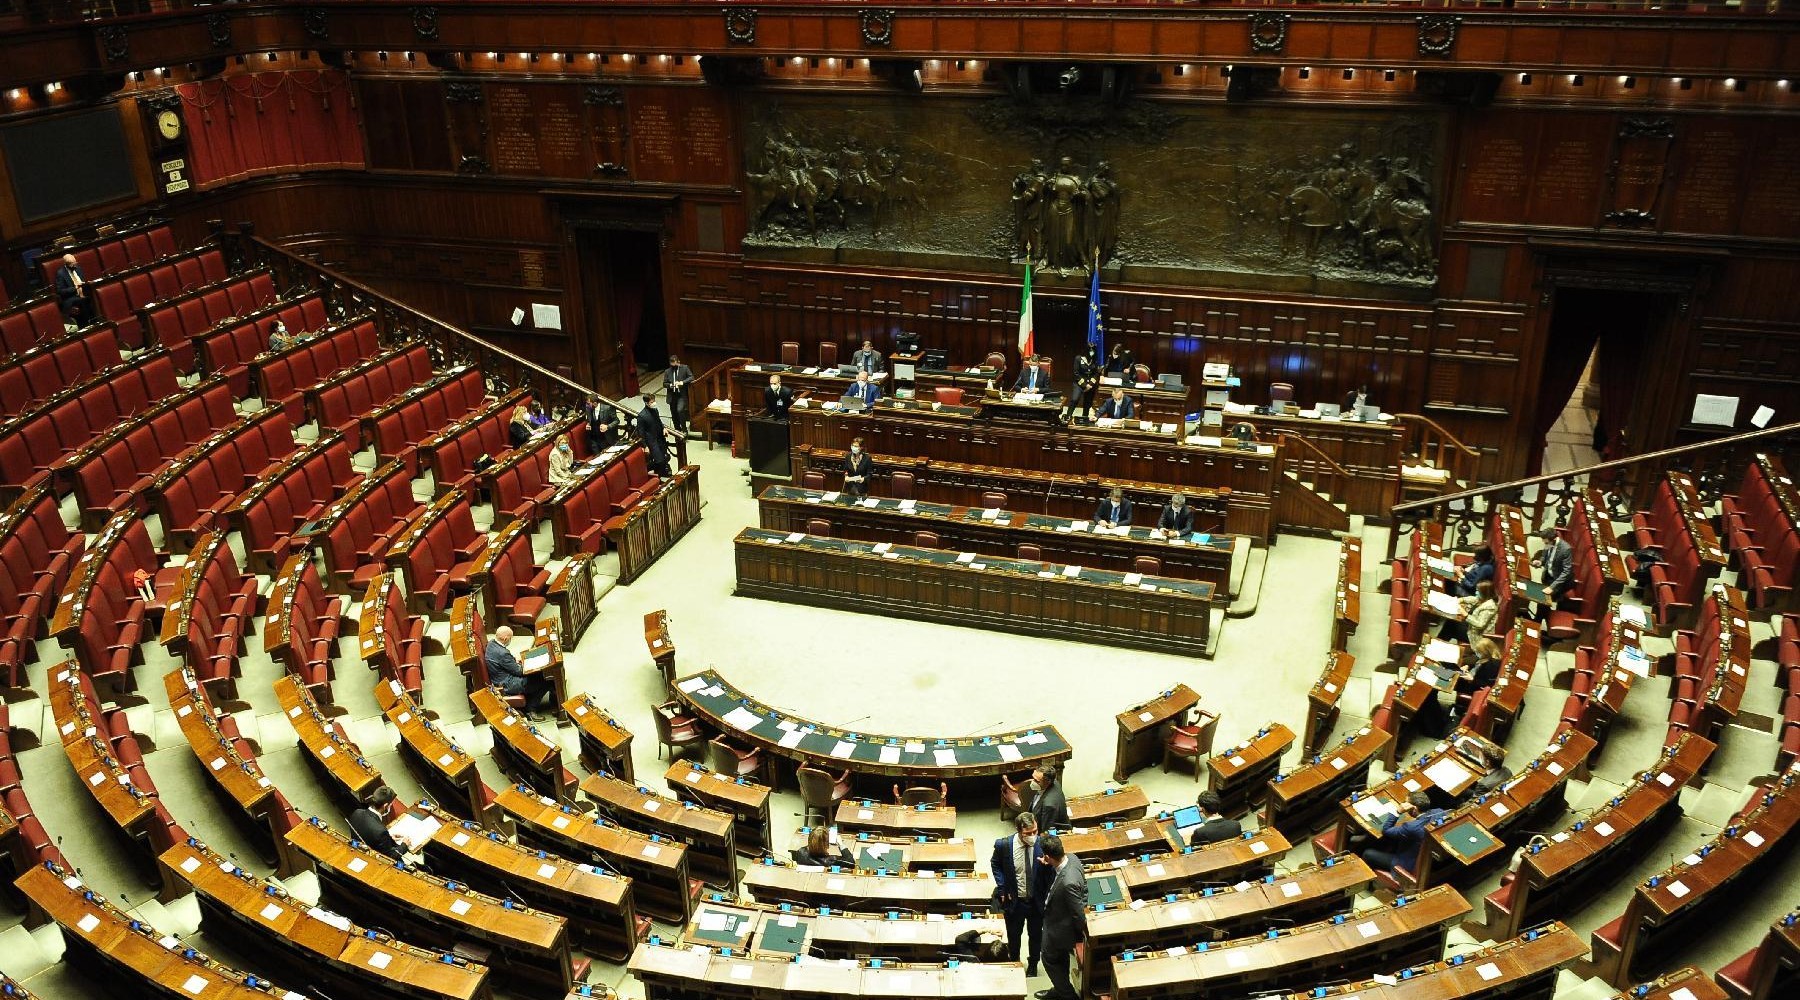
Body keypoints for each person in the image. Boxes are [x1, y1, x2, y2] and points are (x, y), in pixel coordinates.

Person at [991, 813, 1046, 975]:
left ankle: (1034, 963)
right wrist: (1002, 888)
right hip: (1015, 900)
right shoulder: (1004, 845)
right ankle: (1014, 961)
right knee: (1014, 935)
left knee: (1036, 935)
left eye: (1035, 831)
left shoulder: (1042, 843)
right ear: (1018, 830)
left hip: (1036, 900)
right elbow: (995, 864)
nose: (1032, 836)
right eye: (1027, 833)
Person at [1036, 834, 1086, 1000]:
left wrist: (1077, 935)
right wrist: (1047, 865)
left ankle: (1067, 995)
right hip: (1057, 921)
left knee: (1048, 958)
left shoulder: (1068, 883)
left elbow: (1078, 913)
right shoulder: (1072, 858)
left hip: (1059, 929)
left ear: (1048, 856)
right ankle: (1059, 988)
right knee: (1060, 958)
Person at [1361, 791, 1447, 876]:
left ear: (1414, 809)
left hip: (1406, 864)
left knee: (1367, 853)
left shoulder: (1411, 827)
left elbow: (1386, 830)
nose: (1403, 805)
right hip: (1428, 859)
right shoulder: (1439, 811)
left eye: (1406, 803)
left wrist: (1397, 812)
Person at [486, 625, 554, 718]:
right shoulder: (502, 653)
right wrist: (532, 663)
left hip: (501, 678)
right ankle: (531, 710)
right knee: (545, 680)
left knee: (540, 675)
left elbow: (509, 664)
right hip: (508, 684)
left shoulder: (491, 643)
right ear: (505, 639)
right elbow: (519, 671)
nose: (511, 640)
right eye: (510, 638)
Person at [348, 786, 409, 864]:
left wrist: (389, 839)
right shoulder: (380, 831)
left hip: (357, 849)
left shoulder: (357, 812)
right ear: (385, 806)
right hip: (373, 860)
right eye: (391, 805)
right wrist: (404, 845)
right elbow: (390, 856)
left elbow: (369, 835)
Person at [1530, 525, 1573, 620]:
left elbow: (1566, 572)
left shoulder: (1565, 549)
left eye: (1546, 543)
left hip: (1560, 582)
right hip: (1548, 577)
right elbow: (1545, 557)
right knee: (1540, 596)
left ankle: (1537, 621)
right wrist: (1540, 562)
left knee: (1543, 599)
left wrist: (1552, 587)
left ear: (1553, 540)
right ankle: (1541, 618)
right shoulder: (1548, 544)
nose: (1545, 545)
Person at [1439, 579, 1497, 645]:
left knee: (1452, 626)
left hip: (1479, 636)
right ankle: (1439, 643)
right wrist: (1461, 599)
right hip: (1473, 629)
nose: (1476, 592)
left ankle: (1439, 644)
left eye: (1478, 591)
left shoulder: (1490, 607)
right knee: (1451, 622)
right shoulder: (1484, 598)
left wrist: (1466, 615)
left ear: (1484, 593)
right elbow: (1473, 599)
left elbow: (1480, 624)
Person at [635, 393, 674, 478]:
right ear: (646, 403)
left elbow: (658, 421)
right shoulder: (641, 416)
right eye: (652, 402)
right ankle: (648, 471)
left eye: (654, 401)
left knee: (666, 457)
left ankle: (661, 475)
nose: (654, 403)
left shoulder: (655, 410)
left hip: (660, 438)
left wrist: (663, 428)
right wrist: (645, 446)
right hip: (651, 442)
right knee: (659, 461)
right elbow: (641, 433)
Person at [1029, 764, 1069, 833]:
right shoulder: (1054, 782)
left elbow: (1046, 830)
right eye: (1033, 778)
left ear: (1048, 782)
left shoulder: (1049, 805)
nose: (1033, 782)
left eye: (1037, 781)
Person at [1063, 349, 1099, 424]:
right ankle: (1068, 416)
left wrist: (1090, 384)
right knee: (1074, 399)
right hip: (1079, 383)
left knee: (1087, 403)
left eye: (1093, 351)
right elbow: (1076, 373)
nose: (1092, 353)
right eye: (1090, 351)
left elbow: (1096, 373)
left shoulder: (1094, 359)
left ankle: (1084, 419)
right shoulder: (1078, 358)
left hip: (1090, 385)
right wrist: (1085, 385)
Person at [54, 253, 91, 326]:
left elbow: (82, 282)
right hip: (71, 298)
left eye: (75, 263)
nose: (74, 265)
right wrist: (75, 288)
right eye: (72, 264)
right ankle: (86, 326)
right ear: (66, 264)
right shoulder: (61, 273)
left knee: (94, 296)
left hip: (83, 294)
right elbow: (60, 291)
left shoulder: (78, 268)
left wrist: (86, 284)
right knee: (83, 301)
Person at [664, 355, 693, 434]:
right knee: (674, 413)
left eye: (675, 365)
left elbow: (691, 377)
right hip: (672, 395)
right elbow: (664, 384)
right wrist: (670, 385)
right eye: (672, 365)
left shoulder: (685, 368)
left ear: (678, 362)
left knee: (680, 410)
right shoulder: (667, 371)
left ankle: (684, 430)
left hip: (681, 395)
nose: (674, 367)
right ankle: (677, 430)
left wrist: (682, 382)